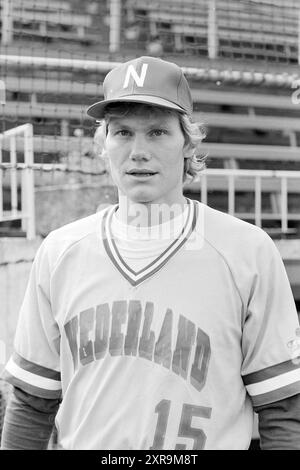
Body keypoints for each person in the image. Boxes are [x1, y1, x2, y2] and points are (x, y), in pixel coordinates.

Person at [1, 56, 300, 450]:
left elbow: (281, 408)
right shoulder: (60, 252)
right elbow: (31, 402)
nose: (138, 151)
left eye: (157, 132)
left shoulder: (247, 250)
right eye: (122, 132)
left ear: (188, 143)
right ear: (103, 146)